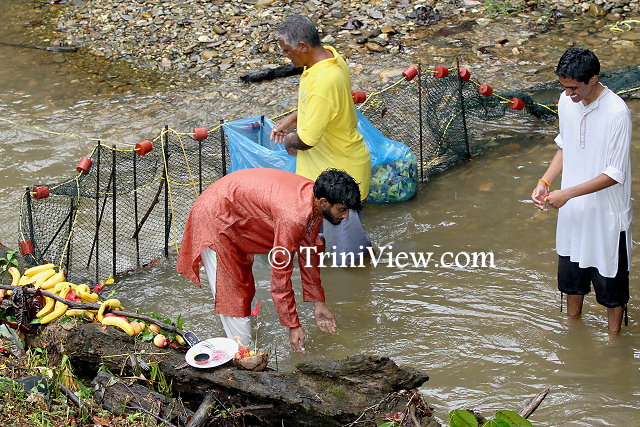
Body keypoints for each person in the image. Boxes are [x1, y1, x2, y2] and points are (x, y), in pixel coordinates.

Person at [176, 168, 362, 352]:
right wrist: (293, 326)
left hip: (235, 213)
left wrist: (319, 304)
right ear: (323, 202)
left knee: (245, 290)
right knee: (233, 296)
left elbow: (309, 253)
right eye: (342, 209)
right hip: (216, 219)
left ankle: (248, 343)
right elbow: (280, 277)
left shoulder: (313, 201)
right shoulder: (294, 218)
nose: (345, 216)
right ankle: (242, 355)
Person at [531, 48, 633, 335]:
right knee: (571, 280)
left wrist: (568, 194)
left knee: (611, 287)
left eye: (574, 88)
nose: (569, 94)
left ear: (594, 79)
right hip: (574, 211)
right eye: (564, 87)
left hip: (607, 216)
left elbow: (615, 173)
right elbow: (566, 145)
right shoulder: (566, 102)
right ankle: (572, 329)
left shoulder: (617, 113)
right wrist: (546, 182)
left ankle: (614, 339)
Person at [270, 15, 372, 259]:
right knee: (337, 242)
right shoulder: (329, 57)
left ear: (303, 47)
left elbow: (306, 140)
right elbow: (320, 105)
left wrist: (288, 141)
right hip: (336, 172)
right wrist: (291, 119)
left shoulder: (324, 80)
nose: (286, 56)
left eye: (287, 50)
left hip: (338, 183)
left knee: (348, 260)